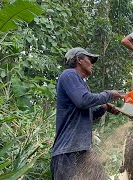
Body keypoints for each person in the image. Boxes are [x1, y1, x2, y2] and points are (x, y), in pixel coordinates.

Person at [50, 47, 122, 180]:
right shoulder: (68, 75)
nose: (92, 64)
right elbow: (83, 100)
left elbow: (86, 115)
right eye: (90, 60)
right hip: (68, 153)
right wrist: (109, 94)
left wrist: (102, 107)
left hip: (83, 151)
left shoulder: (82, 84)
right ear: (79, 60)